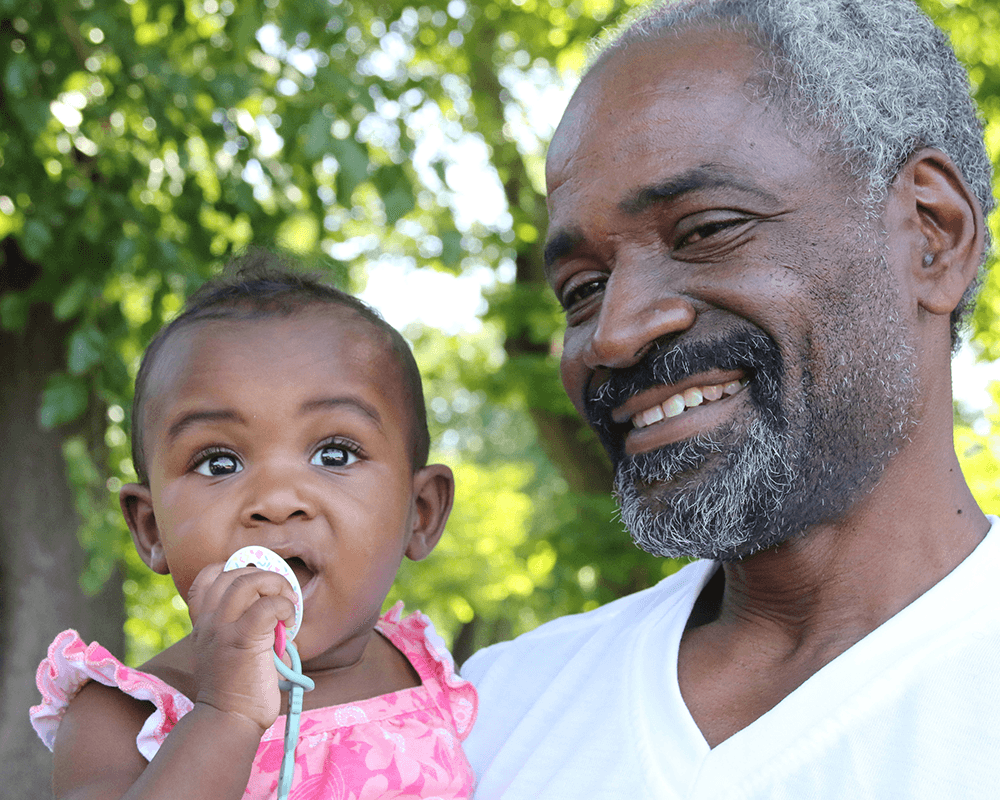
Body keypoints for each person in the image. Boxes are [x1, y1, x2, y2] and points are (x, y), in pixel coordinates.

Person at [462, 0, 998, 797]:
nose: (613, 335)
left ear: (932, 235)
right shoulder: (490, 714)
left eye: (707, 229)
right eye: (582, 288)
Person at [30, 256, 477, 799]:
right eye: (219, 463)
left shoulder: (427, 669)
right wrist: (225, 715)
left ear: (422, 512)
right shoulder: (124, 712)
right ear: (150, 529)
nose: (276, 501)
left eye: (334, 453)